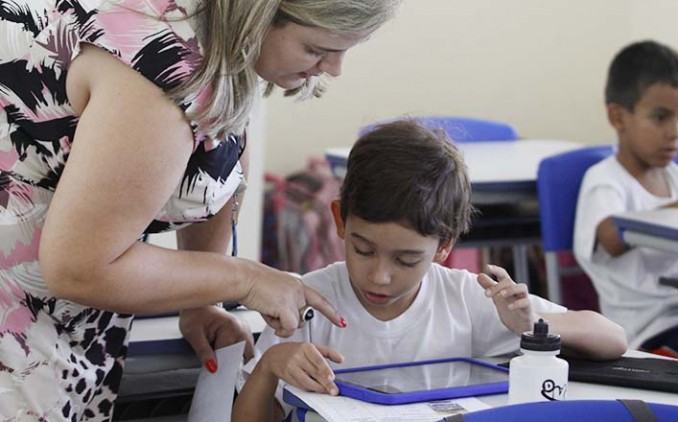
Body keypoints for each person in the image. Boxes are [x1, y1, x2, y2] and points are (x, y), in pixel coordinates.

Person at [0, 0, 400, 419]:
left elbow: (215, 160)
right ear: (258, 18)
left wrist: (202, 298)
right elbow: (79, 267)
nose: (333, 69)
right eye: (317, 50)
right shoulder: (157, 81)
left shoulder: (223, 40)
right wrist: (242, 279)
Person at [232, 120, 628, 422]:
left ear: (444, 246)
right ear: (340, 219)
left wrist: (530, 322)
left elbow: (612, 338)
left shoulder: (467, 299)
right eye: (363, 249)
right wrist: (270, 364)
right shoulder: (306, 304)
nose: (379, 276)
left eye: (405, 260)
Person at [572, 40, 678, 363]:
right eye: (661, 117)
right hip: (649, 332)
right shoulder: (605, 180)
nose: (675, 132)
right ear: (618, 117)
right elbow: (610, 236)